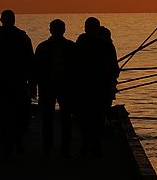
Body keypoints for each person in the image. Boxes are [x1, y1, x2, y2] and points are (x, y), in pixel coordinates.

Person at [74, 17, 120, 156]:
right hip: (101, 88)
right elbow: (114, 68)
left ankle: (87, 144)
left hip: (86, 87)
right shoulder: (106, 44)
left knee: (85, 117)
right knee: (98, 117)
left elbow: (75, 64)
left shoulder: (81, 42)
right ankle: (95, 145)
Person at [0, 9, 34, 155]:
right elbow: (30, 62)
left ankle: (7, 143)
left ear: (1, 19)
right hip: (18, 81)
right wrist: (32, 85)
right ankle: (17, 142)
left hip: (3, 82)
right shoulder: (22, 37)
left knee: (4, 114)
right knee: (19, 114)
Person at [33, 19, 76, 157]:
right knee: (63, 119)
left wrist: (33, 87)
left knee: (49, 119)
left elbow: (35, 70)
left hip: (52, 87)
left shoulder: (42, 47)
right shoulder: (71, 46)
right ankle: (63, 149)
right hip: (62, 87)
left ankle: (49, 149)